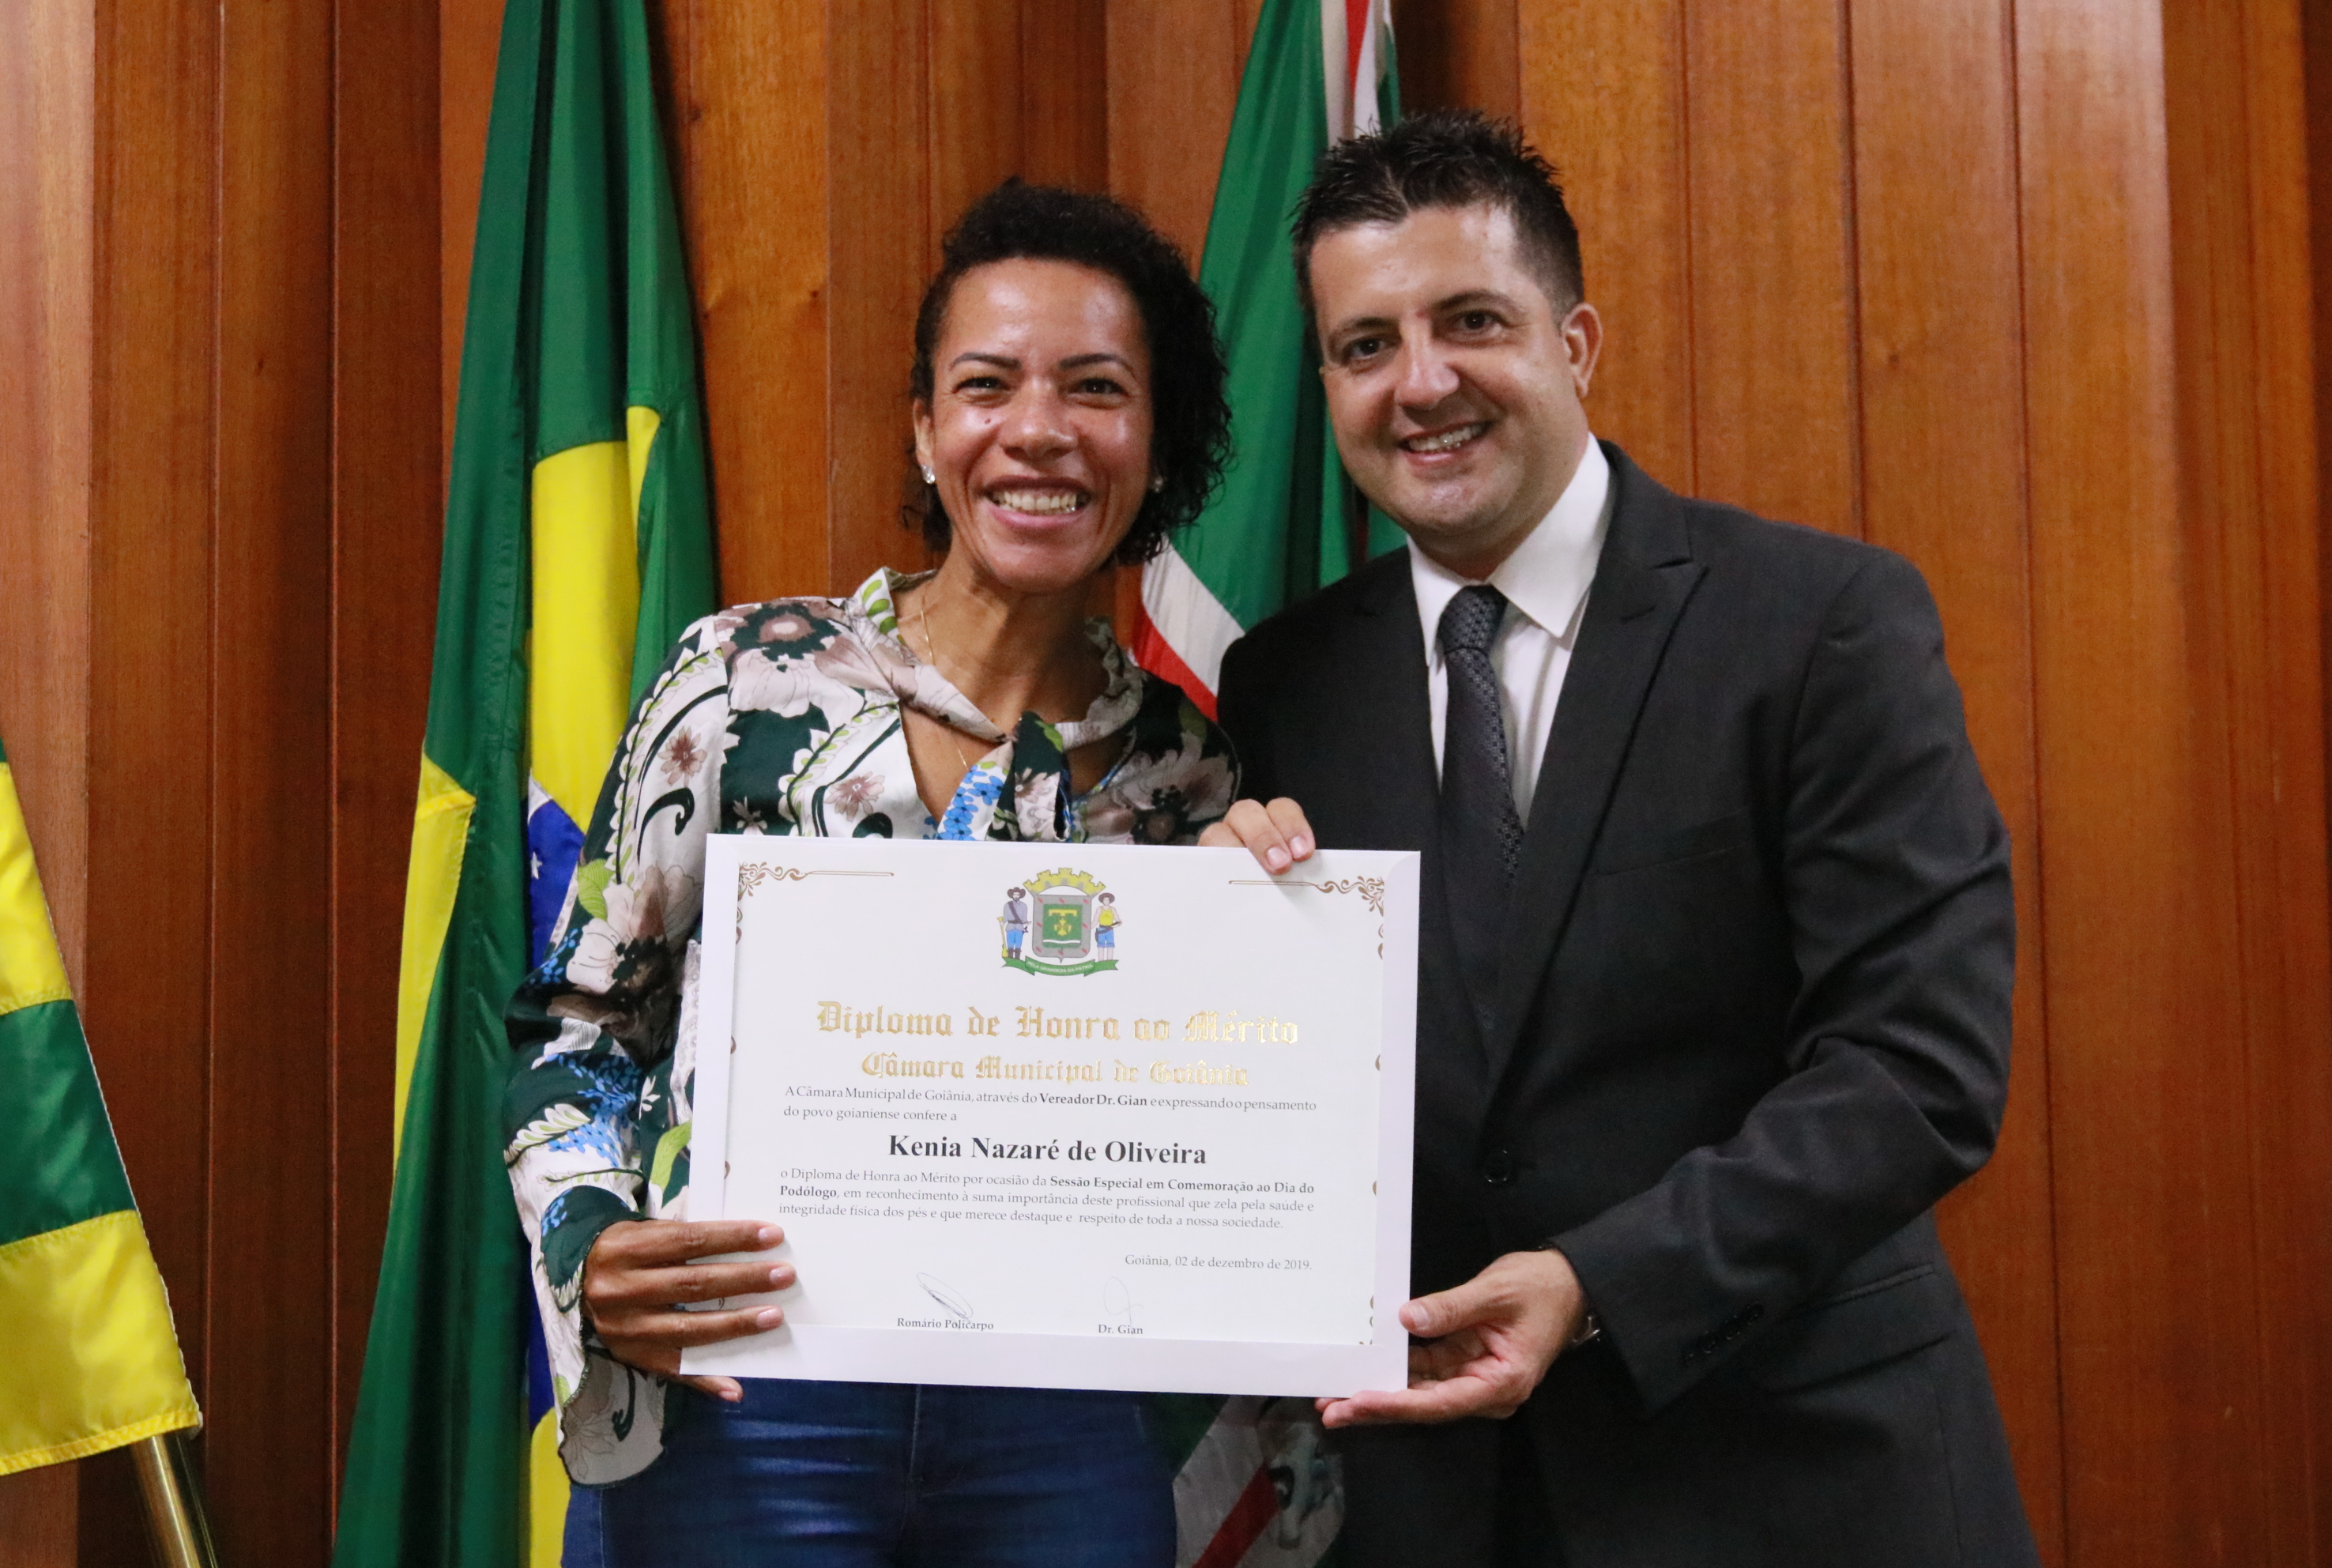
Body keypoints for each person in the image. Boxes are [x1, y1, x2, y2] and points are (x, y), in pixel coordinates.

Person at [1206, 111, 2038, 1566]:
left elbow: (1920, 1068)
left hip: (1789, 1479)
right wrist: (1224, 959)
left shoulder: (1821, 625)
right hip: (1435, 1507)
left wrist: (1600, 1282)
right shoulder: (1284, 683)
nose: (1422, 383)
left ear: (1576, 342)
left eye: (1472, 321)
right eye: (1366, 346)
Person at [505, 180, 1241, 1567]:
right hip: (748, 1394)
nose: (1038, 429)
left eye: (1096, 388)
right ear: (924, 429)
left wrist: (1277, 908)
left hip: (1060, 1419)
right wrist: (590, 1241)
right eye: (987, 385)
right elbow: (579, 1024)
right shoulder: (741, 685)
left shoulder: (1189, 775)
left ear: (1158, 442)